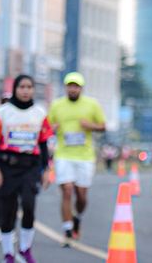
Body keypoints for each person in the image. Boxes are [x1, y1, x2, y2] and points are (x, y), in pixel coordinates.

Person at [0, 74, 52, 263]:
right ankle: (8, 253)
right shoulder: (3, 112)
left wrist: (46, 170)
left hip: (30, 166)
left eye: (29, 87)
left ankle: (24, 249)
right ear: (15, 89)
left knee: (29, 206)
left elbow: (43, 143)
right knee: (8, 210)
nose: (25, 91)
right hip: (7, 166)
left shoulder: (39, 113)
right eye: (22, 87)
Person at [47, 72, 106, 246]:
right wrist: (53, 128)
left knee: (81, 195)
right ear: (65, 87)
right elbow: (47, 127)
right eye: (70, 86)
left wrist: (90, 125)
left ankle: (77, 217)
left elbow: (103, 126)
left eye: (76, 86)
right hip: (63, 154)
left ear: (81, 88)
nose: (73, 89)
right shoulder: (57, 105)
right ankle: (67, 230)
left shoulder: (92, 104)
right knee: (66, 190)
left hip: (85, 156)